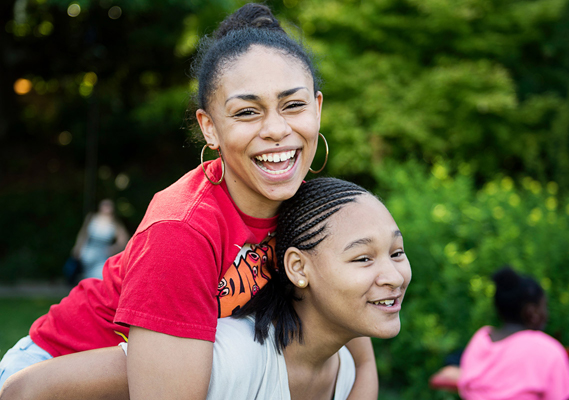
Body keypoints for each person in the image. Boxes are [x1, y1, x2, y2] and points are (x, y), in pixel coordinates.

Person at [0, 4, 378, 399]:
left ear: (317, 109)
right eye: (247, 111)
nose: (276, 129)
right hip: (54, 374)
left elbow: (361, 358)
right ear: (209, 128)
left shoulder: (313, 210)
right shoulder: (182, 230)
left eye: (293, 105)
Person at [0, 178, 412, 400]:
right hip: (52, 360)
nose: (393, 275)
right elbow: (26, 391)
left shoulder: (342, 352)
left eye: (397, 252)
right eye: (363, 258)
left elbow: (363, 359)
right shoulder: (227, 358)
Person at [457, 266, 569, 400]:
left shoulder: (480, 340)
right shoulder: (548, 351)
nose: (547, 314)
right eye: (544, 306)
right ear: (531, 312)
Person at [71, 199, 130, 280]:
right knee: (87, 276)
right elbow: (83, 234)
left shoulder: (115, 223)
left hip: (102, 254)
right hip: (88, 252)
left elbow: (123, 240)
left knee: (98, 277)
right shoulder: (92, 218)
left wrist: (113, 249)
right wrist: (78, 247)